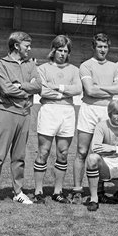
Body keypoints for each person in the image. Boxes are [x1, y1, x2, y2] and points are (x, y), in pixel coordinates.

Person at [0, 31, 42, 207]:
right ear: (17, 46)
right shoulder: (1, 64)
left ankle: (18, 191)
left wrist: (21, 86)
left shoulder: (31, 65)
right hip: (6, 112)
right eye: (27, 45)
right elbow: (6, 89)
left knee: (19, 156)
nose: (30, 49)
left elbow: (38, 86)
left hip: (25, 114)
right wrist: (26, 90)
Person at [72, 33, 118, 204]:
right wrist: (109, 89)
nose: (103, 50)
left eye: (105, 47)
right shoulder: (86, 65)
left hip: (106, 110)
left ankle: (99, 190)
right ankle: (77, 189)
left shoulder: (115, 66)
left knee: (101, 151)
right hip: (89, 110)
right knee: (82, 151)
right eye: (99, 46)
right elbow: (90, 91)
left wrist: (98, 87)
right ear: (94, 47)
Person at [33, 35, 82, 204]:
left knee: (63, 152)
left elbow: (78, 89)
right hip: (49, 111)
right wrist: (63, 94)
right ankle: (38, 191)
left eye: (66, 51)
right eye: (60, 50)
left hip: (67, 112)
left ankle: (57, 191)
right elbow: (43, 91)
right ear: (53, 50)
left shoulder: (75, 70)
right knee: (43, 151)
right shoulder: (43, 68)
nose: (62, 54)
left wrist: (59, 88)